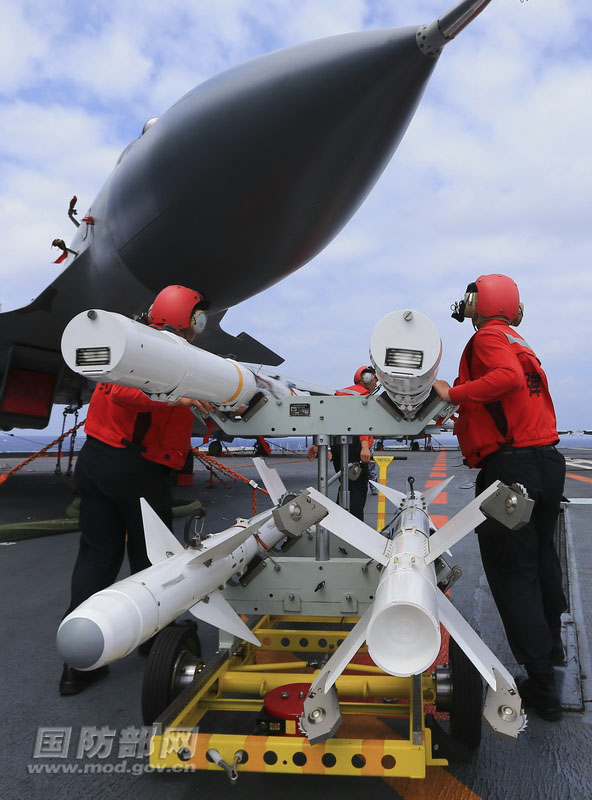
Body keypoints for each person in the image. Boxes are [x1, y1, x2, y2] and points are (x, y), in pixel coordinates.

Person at [60, 285, 213, 695]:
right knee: (151, 558)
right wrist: (180, 396)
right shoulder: (151, 352)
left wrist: (198, 403)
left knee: (97, 555)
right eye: (198, 321)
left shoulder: (131, 341)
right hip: (135, 469)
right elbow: (126, 391)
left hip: (97, 462)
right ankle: (149, 639)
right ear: (191, 321)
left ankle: (78, 665)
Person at [433, 274, 566, 721]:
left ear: (481, 302)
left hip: (513, 469)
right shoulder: (517, 339)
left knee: (513, 571)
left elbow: (504, 380)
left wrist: (453, 393)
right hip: (545, 461)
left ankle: (542, 684)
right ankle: (554, 648)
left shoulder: (489, 337)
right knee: (542, 559)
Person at [308, 366, 378, 521]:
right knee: (358, 488)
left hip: (338, 446)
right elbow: (362, 422)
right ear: (366, 378)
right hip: (356, 445)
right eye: (375, 378)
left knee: (345, 483)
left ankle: (338, 520)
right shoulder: (363, 395)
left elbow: (326, 418)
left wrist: (316, 444)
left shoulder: (340, 393)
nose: (375, 383)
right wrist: (365, 447)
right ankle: (354, 527)